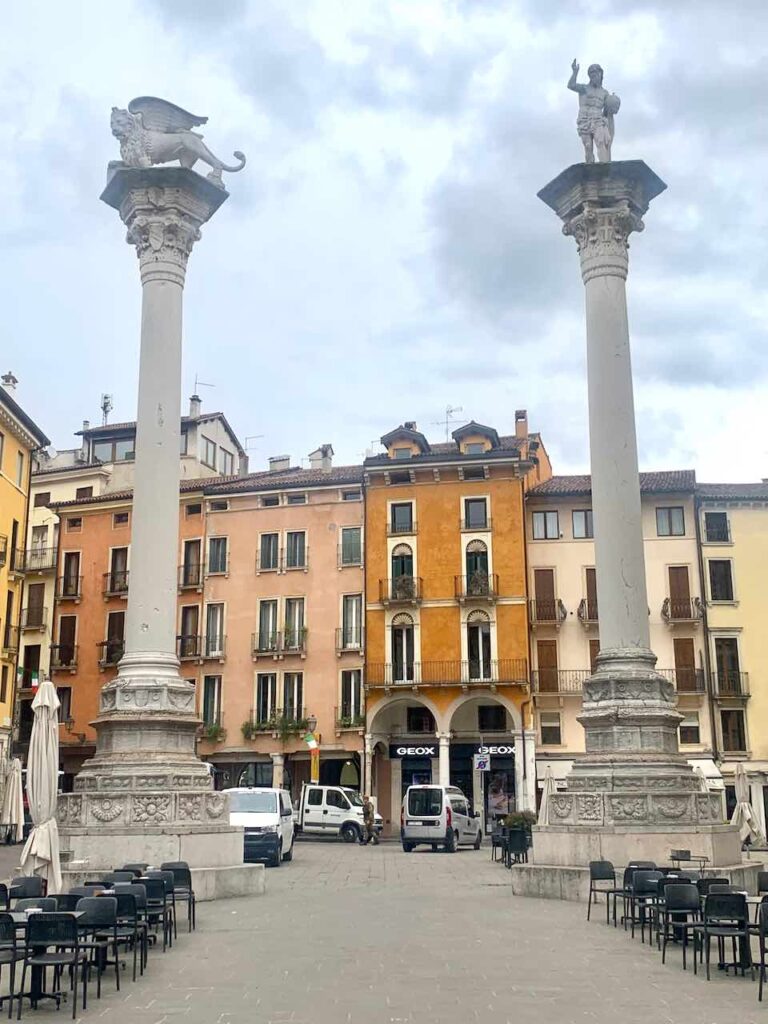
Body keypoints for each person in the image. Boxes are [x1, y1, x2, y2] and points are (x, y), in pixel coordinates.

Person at [567, 59, 620, 164]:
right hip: (584, 119)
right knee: (588, 147)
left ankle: (605, 168)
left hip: (598, 120)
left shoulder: (605, 93)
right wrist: (575, 73)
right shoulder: (584, 88)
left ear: (601, 74)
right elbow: (571, 85)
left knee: (601, 142)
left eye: (596, 73)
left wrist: (613, 106)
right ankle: (591, 171)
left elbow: (608, 109)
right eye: (591, 74)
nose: (594, 76)